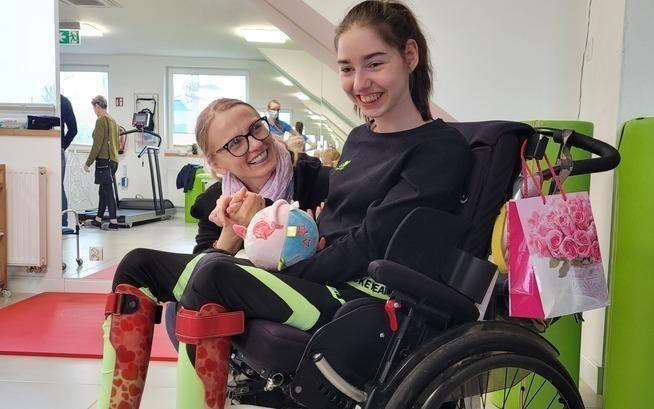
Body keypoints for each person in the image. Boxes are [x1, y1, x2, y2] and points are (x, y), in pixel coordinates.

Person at [97, 1, 472, 408]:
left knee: (213, 273)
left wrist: (288, 260)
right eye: (347, 68)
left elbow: (369, 243)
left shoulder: (439, 148)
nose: (359, 82)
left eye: (375, 63)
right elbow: (337, 228)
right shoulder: (360, 140)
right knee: (138, 264)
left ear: (410, 56)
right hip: (321, 277)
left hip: (362, 299)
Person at [83, 95, 120, 230]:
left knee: (108, 192)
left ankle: (113, 222)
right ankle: (98, 219)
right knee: (103, 191)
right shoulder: (113, 121)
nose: (94, 111)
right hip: (114, 160)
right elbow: (117, 143)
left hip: (104, 161)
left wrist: (88, 163)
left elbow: (97, 145)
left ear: (97, 106)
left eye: (94, 108)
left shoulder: (101, 121)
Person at [60, 94, 77, 227]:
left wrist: (62, 146)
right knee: (59, 187)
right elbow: (74, 129)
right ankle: (63, 224)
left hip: (48, 148)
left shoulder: (62, 101)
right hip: (58, 148)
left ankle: (61, 223)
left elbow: (73, 130)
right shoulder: (64, 101)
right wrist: (62, 145)